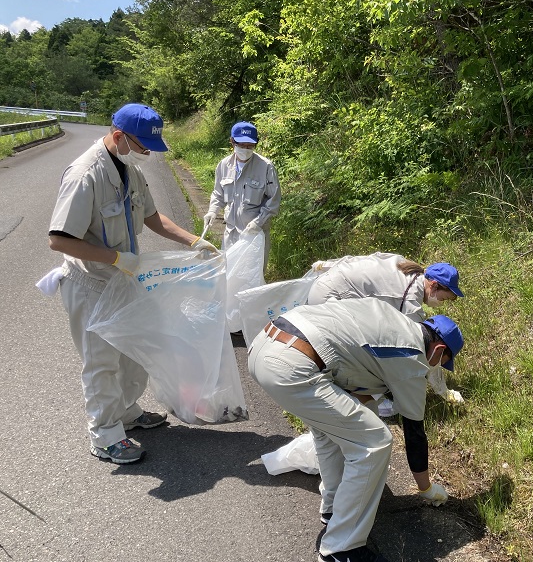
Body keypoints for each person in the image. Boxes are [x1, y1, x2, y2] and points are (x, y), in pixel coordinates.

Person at [48, 103, 219, 465]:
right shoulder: (85, 175)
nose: (147, 155)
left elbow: (152, 216)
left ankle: (126, 412)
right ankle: (105, 434)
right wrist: (115, 259)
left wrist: (193, 241)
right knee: (101, 362)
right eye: (142, 147)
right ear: (119, 137)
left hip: (125, 278)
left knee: (135, 352)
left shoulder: (127, 168)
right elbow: (59, 240)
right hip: (92, 282)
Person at [248, 298, 463, 562]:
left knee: (339, 429)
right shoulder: (412, 357)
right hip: (294, 363)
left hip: (266, 345)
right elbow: (414, 432)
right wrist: (427, 489)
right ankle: (341, 550)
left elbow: (354, 380)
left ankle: (334, 509)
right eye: (443, 361)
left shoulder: (393, 321)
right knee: (374, 442)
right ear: (438, 349)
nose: (437, 367)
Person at [307, 253, 465, 412]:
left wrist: (326, 265)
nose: (440, 304)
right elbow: (421, 350)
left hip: (327, 281)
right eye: (443, 299)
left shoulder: (407, 267)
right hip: (329, 300)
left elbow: (366, 259)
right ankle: (368, 399)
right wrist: (444, 392)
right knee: (366, 349)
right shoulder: (409, 299)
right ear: (434, 286)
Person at [203, 121, 280, 267]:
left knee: (251, 279)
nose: (245, 149)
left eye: (250, 146)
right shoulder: (224, 165)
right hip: (231, 233)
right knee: (228, 274)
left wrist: (258, 222)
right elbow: (218, 194)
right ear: (232, 142)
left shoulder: (266, 167)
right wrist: (212, 211)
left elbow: (273, 200)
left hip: (254, 234)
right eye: (241, 145)